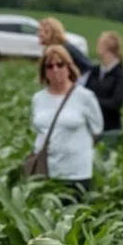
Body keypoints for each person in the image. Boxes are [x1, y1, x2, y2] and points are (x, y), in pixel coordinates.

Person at [30, 45, 104, 197]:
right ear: (44, 71)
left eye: (60, 64)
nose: (55, 69)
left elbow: (97, 129)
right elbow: (37, 129)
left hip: (76, 172)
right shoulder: (38, 98)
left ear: (69, 67)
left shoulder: (85, 97)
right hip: (45, 170)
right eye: (49, 66)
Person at [86, 31, 123, 154]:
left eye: (99, 43)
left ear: (106, 47)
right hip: (92, 128)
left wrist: (93, 102)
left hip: (110, 129)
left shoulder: (120, 75)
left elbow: (116, 103)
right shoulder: (95, 71)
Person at [38, 17, 93, 85]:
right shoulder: (51, 48)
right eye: (40, 31)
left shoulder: (60, 49)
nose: (41, 34)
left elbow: (88, 67)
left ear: (55, 34)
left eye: (46, 32)